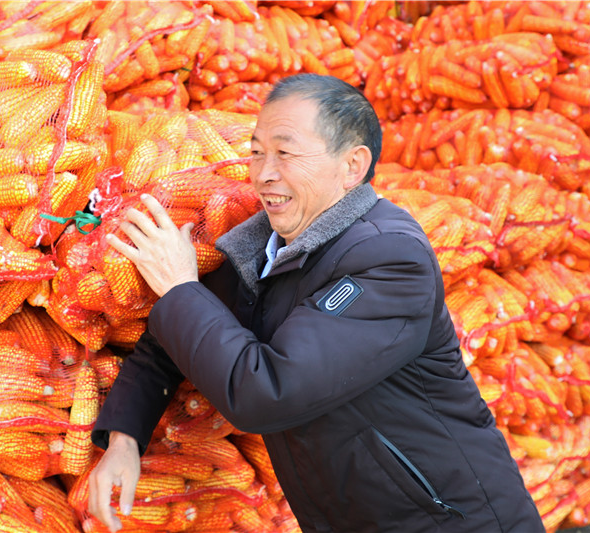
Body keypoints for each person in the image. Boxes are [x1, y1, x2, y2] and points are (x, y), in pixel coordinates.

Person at [88, 73, 544, 533]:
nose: (264, 173)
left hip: (450, 520)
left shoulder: (389, 259)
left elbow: (267, 392)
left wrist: (179, 284)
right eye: (257, 152)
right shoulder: (264, 247)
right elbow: (173, 337)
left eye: (285, 153)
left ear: (352, 166)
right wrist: (125, 437)